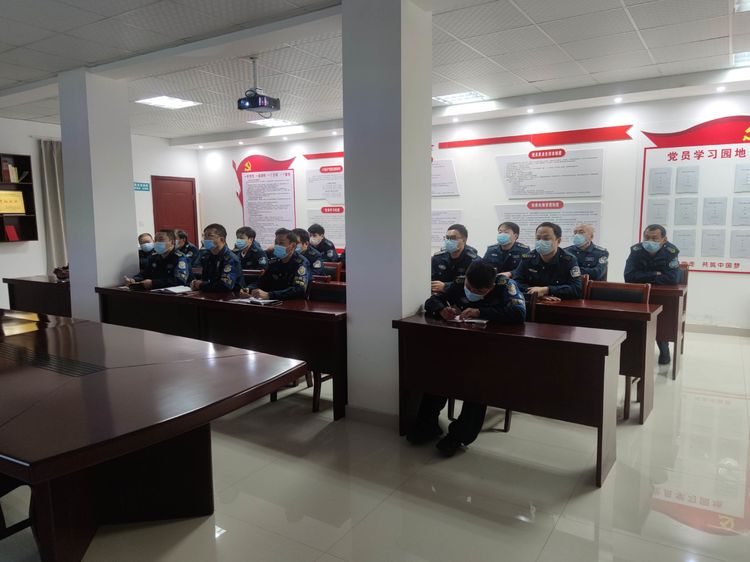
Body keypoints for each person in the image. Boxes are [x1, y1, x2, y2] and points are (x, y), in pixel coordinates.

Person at [407, 260, 526, 457]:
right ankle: (427, 426)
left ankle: (459, 436)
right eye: (469, 287)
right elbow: (432, 301)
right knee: (437, 375)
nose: (471, 292)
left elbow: (519, 313)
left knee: (477, 385)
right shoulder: (460, 282)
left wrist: (481, 311)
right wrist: (441, 310)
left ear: (491, 287)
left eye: (478, 291)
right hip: (460, 346)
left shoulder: (505, 285)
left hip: (491, 350)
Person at [624, 224, 682, 364]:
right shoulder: (636, 250)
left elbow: (673, 278)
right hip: (640, 294)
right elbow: (629, 276)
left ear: (664, 240)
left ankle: (664, 347)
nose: (649, 241)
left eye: (654, 238)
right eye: (647, 237)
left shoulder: (671, 251)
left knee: (662, 319)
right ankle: (635, 350)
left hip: (662, 296)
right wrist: (655, 274)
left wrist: (643, 276)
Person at [512, 222, 582, 301]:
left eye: (546, 239)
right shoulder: (528, 258)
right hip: (533, 301)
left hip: (559, 303)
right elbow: (516, 282)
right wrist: (536, 293)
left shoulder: (568, 260)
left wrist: (547, 290)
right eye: (538, 238)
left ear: (558, 241)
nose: (541, 242)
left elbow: (576, 289)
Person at [245, 228, 308, 300]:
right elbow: (262, 281)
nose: (277, 246)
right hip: (272, 301)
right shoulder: (274, 262)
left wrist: (270, 295)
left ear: (293, 246)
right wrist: (249, 289)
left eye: (281, 243)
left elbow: (299, 290)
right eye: (276, 243)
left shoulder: (301, 263)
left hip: (292, 303)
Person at [189, 223, 241, 292]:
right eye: (204, 236)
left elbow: (225, 286)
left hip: (230, 296)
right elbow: (205, 279)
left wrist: (201, 285)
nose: (205, 239)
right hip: (211, 294)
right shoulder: (207, 256)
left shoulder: (230, 258)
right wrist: (196, 284)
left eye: (209, 236)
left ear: (222, 239)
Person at [431, 223, 478, 293]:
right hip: (440, 296)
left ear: (464, 240)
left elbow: (474, 285)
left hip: (462, 297)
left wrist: (445, 287)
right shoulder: (437, 258)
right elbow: (431, 281)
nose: (449, 241)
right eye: (447, 238)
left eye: (453, 238)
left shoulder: (473, 261)